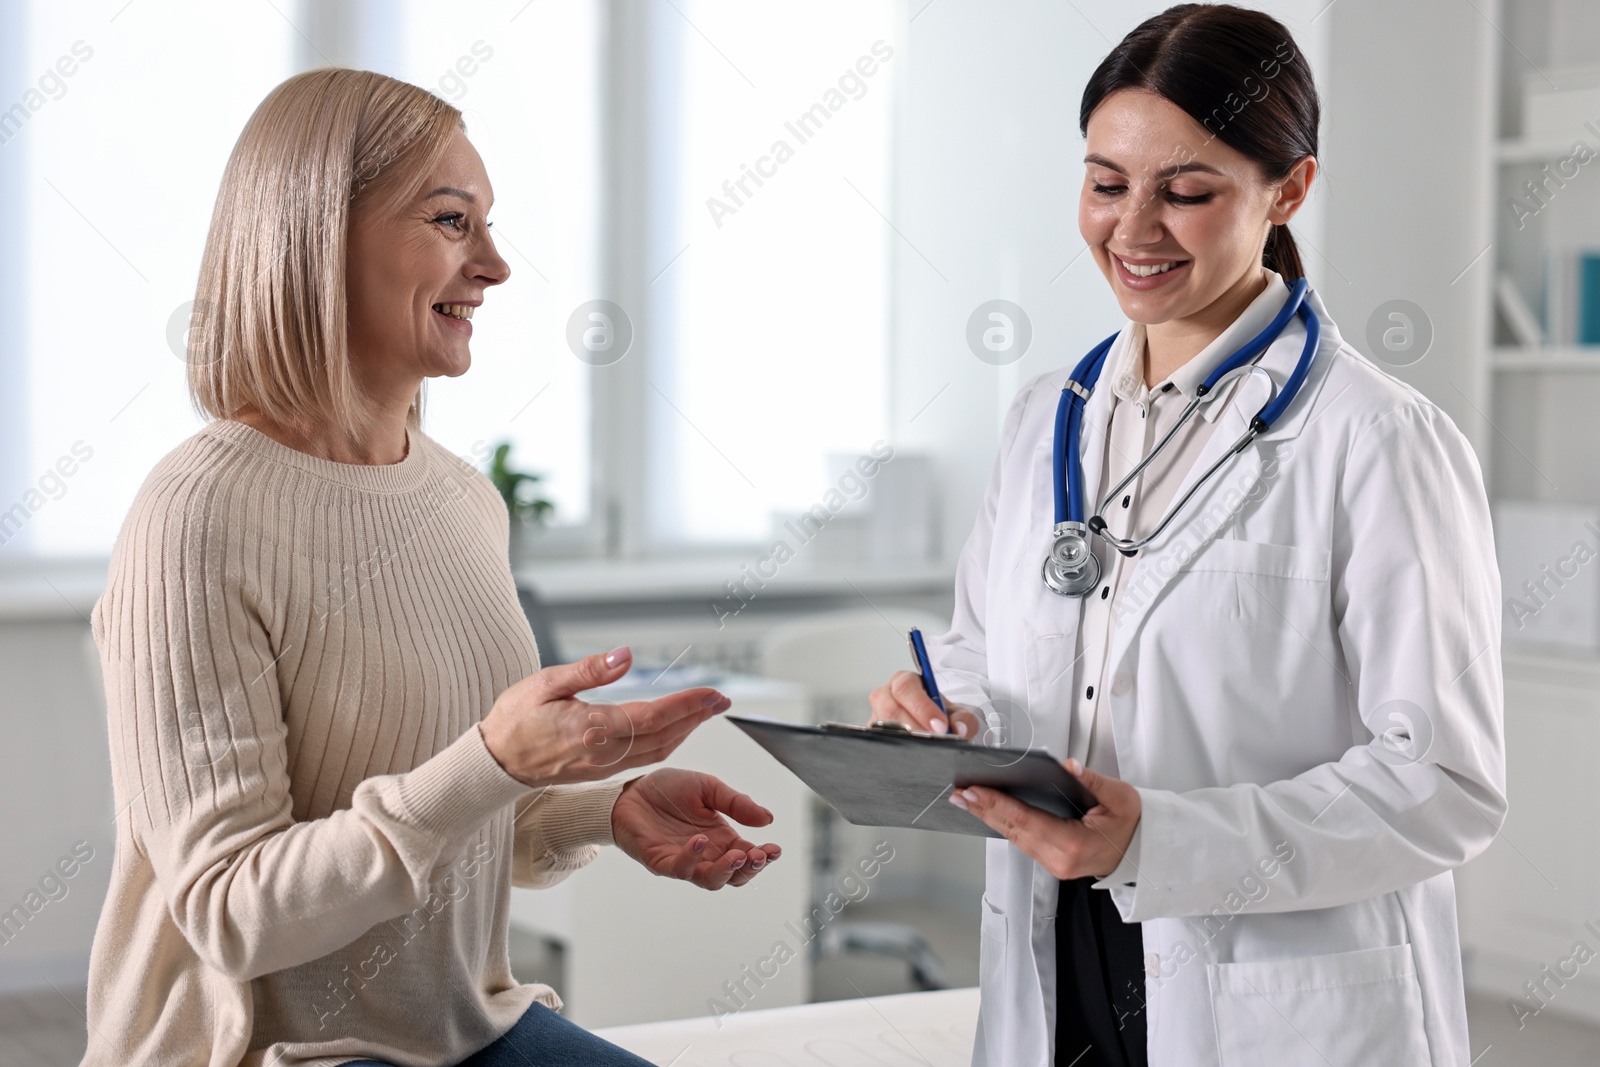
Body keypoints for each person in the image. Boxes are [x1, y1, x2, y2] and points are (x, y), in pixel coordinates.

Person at [84, 68, 781, 1067]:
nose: (494, 266)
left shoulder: (460, 498)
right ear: (317, 234)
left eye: (487, 225)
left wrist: (602, 808)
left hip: (458, 1026)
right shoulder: (196, 514)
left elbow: (449, 801)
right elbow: (230, 911)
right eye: (452, 221)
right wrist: (493, 760)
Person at [869, 6, 1505, 1065]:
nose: (1133, 228)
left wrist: (1162, 839)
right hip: (1056, 949)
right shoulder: (1044, 419)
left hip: (1267, 981)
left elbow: (1443, 783)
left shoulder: (1376, 437)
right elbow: (989, 647)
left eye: (1188, 190)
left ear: (1288, 190)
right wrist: (946, 713)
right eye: (1106, 182)